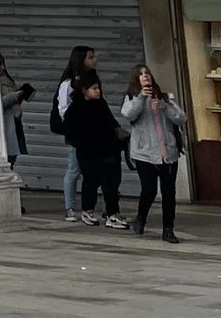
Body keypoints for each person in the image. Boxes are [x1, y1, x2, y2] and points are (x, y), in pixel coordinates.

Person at [121, 63, 189, 242]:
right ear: (136, 79)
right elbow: (128, 114)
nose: (145, 76)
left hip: (168, 153)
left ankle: (168, 229)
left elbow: (181, 117)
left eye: (147, 73)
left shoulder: (165, 97)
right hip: (145, 154)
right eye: (141, 74)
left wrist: (165, 107)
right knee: (149, 190)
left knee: (169, 192)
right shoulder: (131, 97)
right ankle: (141, 217)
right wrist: (141, 98)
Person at [57, 72, 128, 227]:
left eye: (99, 88)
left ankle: (112, 213)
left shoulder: (101, 104)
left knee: (112, 183)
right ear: (84, 90)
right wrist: (84, 144)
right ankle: (88, 210)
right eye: (94, 88)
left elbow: (112, 123)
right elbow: (70, 131)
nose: (98, 91)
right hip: (88, 153)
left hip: (108, 150)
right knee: (91, 181)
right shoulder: (75, 109)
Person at [54, 45, 98, 222]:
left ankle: (90, 206)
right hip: (77, 133)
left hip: (93, 132)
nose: (94, 60)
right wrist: (74, 127)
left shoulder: (94, 79)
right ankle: (69, 207)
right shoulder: (68, 83)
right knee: (74, 169)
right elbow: (63, 108)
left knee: (92, 169)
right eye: (90, 57)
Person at [0, 55, 34, 164]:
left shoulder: (8, 80)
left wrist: (20, 95)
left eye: (3, 64)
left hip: (14, 124)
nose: (3, 68)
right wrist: (13, 96)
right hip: (3, 129)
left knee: (11, 160)